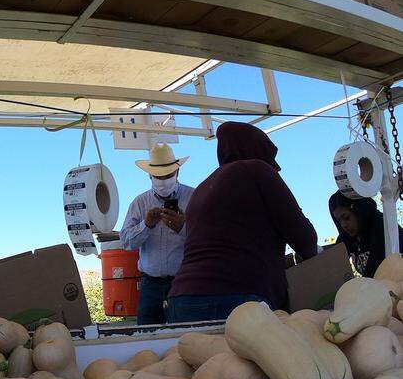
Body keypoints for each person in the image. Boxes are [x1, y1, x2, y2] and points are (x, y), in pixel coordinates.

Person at [168, 122, 317, 322]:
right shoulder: (257, 170)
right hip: (238, 297)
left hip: (181, 299)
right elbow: (304, 237)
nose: (277, 166)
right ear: (257, 150)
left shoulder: (202, 188)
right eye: (272, 156)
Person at [119, 143, 194, 325]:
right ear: (149, 175)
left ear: (178, 173)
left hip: (183, 282)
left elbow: (207, 239)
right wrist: (147, 225)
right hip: (150, 285)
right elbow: (126, 242)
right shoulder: (139, 203)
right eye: (158, 177)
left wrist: (183, 228)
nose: (163, 181)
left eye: (168, 176)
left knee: (184, 333)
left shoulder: (193, 197)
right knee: (146, 334)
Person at [329, 191, 403, 276]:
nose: (343, 225)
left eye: (346, 218)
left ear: (358, 211)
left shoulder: (382, 226)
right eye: (339, 221)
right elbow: (333, 262)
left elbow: (375, 268)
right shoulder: (347, 237)